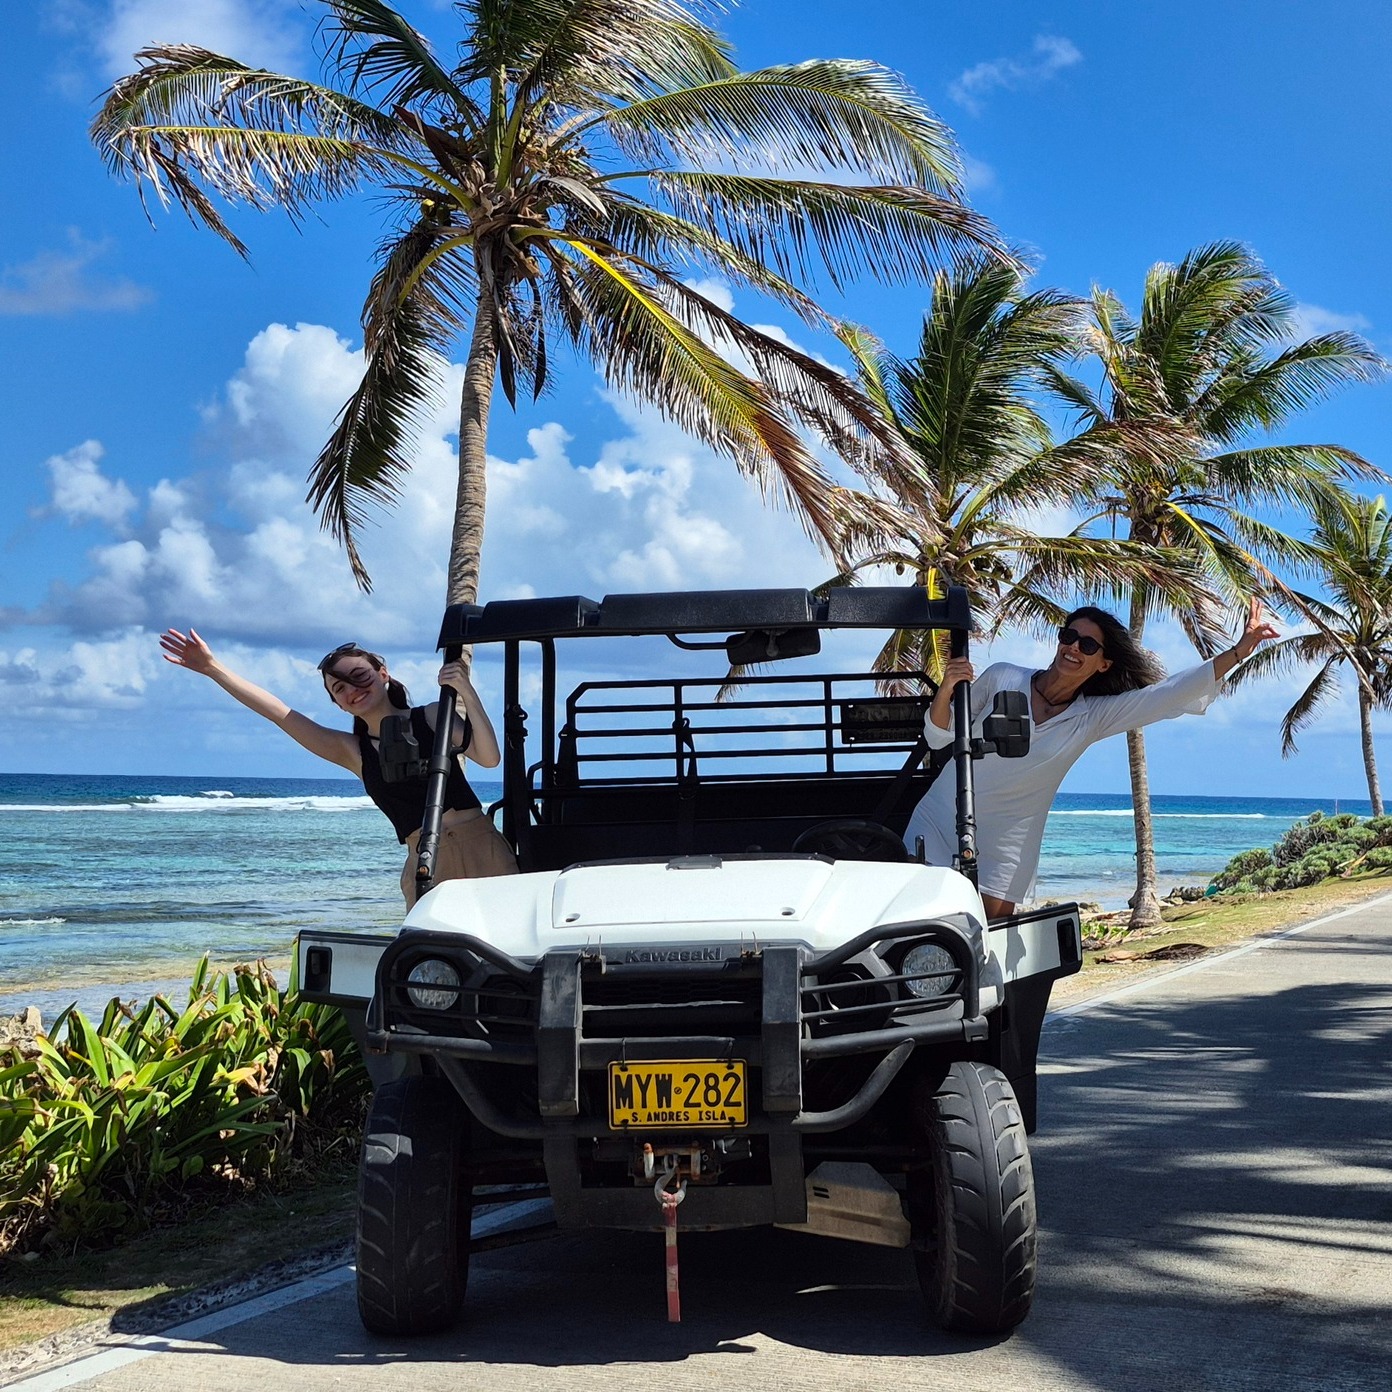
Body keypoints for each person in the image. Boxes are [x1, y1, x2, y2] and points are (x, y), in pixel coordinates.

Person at [904, 597, 1278, 920]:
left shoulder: (1092, 717)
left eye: (1087, 645)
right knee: (918, 927)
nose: (1074, 648)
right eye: (1069, 637)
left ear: (1103, 664)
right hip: (941, 819)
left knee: (982, 948)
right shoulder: (1003, 677)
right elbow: (940, 736)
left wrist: (1240, 650)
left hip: (1009, 846)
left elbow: (1165, 695)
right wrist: (948, 689)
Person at [159, 629, 517, 903]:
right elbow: (280, 714)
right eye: (339, 688)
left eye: (359, 675)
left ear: (383, 673)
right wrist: (213, 668)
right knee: (438, 972)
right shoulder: (353, 751)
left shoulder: (432, 716)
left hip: (481, 845)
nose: (352, 690)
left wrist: (466, 691)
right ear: (339, 705)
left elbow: (488, 758)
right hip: (426, 861)